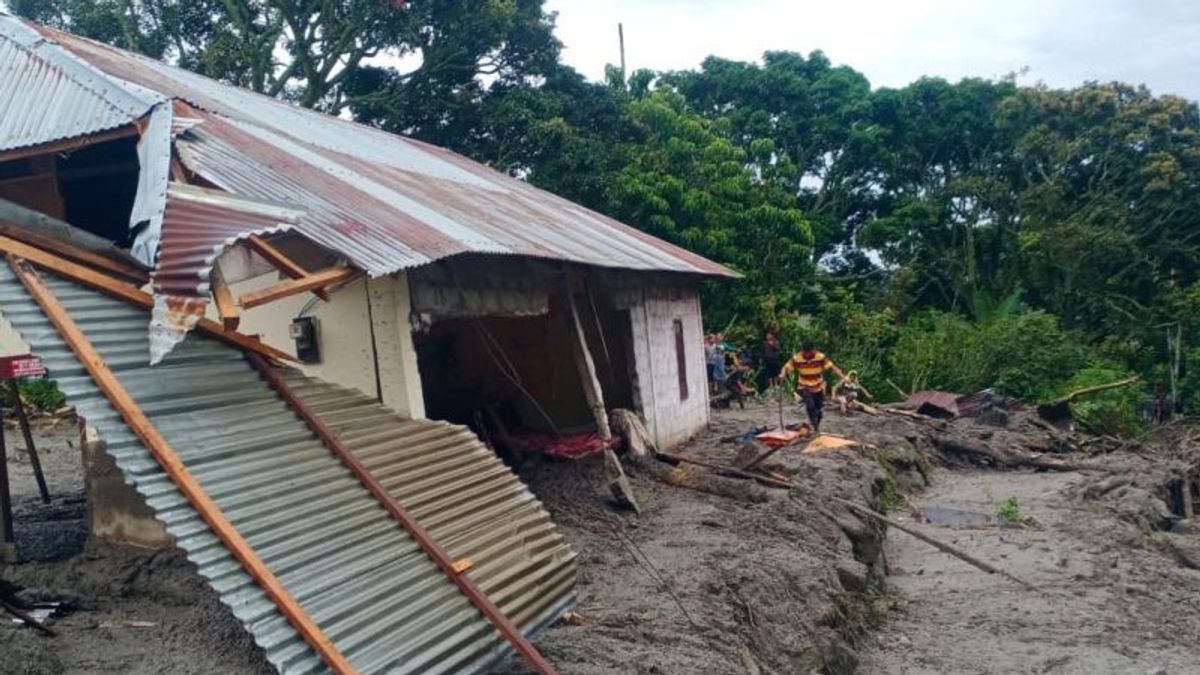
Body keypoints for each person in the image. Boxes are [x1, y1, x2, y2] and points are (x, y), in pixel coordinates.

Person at [779, 341, 845, 432]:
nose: (807, 354)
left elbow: (832, 367)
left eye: (809, 352)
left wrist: (843, 377)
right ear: (803, 351)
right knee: (810, 406)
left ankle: (815, 425)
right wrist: (782, 374)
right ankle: (814, 427)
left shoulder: (820, 357)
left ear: (813, 350)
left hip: (818, 386)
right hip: (804, 386)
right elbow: (786, 367)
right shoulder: (797, 358)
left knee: (818, 411)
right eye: (805, 352)